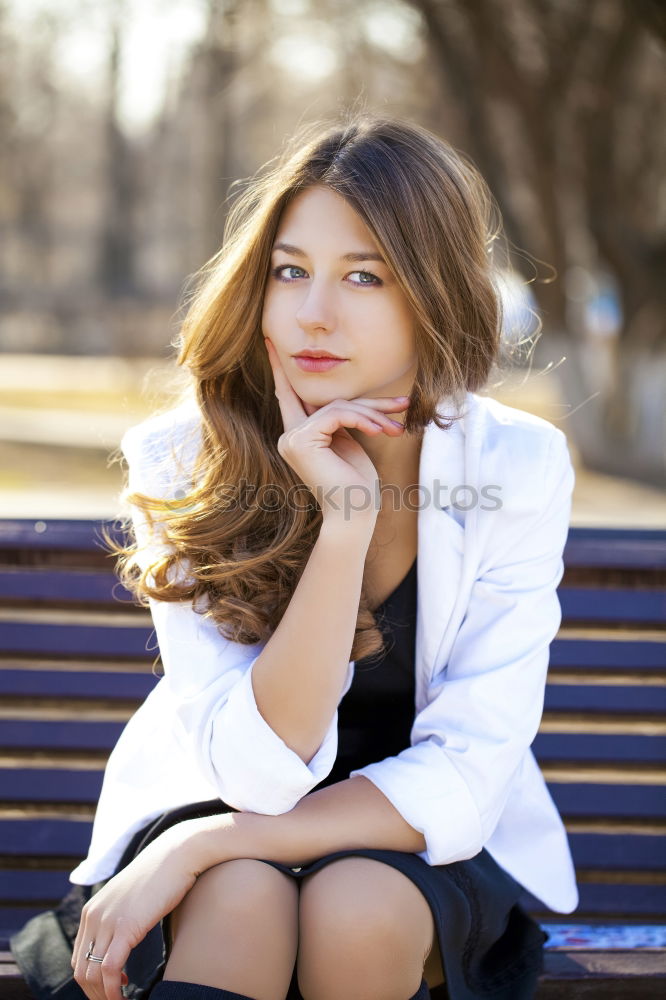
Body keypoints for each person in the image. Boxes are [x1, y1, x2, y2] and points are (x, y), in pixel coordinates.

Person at [12, 112, 579, 1000]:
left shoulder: (515, 467)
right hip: (217, 795)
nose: (315, 314)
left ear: (434, 294)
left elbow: (470, 765)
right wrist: (343, 526)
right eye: (291, 271)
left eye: (365, 276)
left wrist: (208, 845)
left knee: (350, 902)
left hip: (414, 838)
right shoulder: (182, 459)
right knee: (243, 901)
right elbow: (254, 773)